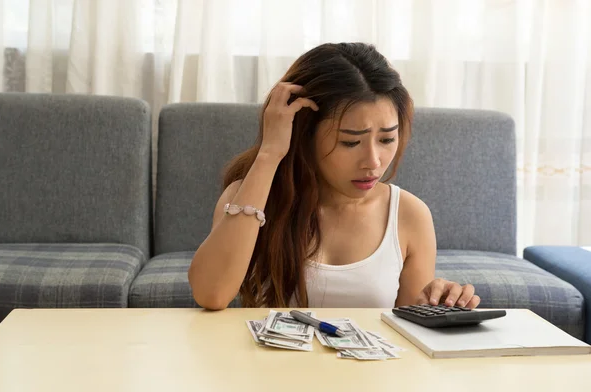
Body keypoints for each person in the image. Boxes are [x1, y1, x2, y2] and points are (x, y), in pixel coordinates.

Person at [188, 42, 480, 311]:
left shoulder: (409, 214)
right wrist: (270, 153)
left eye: (387, 139)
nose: (373, 162)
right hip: (268, 367)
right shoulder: (251, 197)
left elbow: (407, 334)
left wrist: (437, 303)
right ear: (305, 134)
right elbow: (211, 294)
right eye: (351, 142)